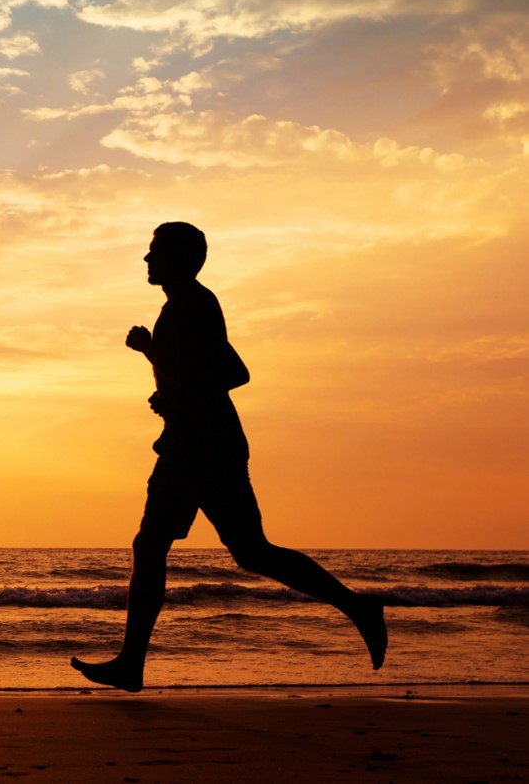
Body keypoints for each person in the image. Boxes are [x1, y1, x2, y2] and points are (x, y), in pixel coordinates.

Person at [70, 222, 387, 693]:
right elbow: (208, 374)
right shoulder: (184, 307)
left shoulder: (194, 306)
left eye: (155, 251)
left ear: (180, 258)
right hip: (196, 440)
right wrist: (170, 398)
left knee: (158, 544)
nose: (146, 260)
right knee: (245, 550)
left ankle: (131, 664)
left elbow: (232, 374)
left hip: (200, 447)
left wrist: (150, 351)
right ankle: (357, 607)